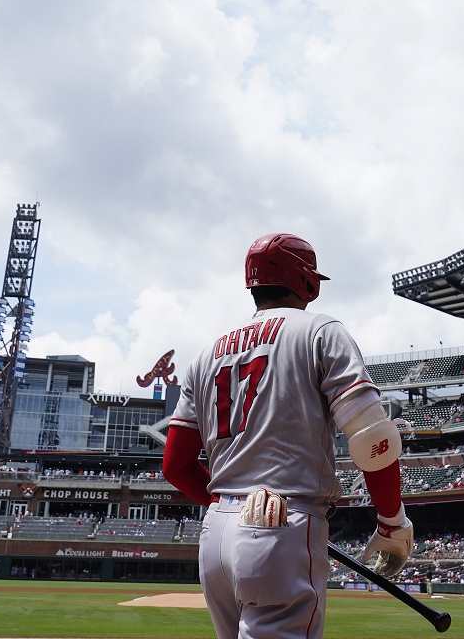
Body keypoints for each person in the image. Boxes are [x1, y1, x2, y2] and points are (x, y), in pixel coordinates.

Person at [163, 233, 412, 639]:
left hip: (215, 536)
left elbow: (175, 465)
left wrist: (229, 503)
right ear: (308, 282)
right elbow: (371, 436)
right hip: (282, 522)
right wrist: (391, 522)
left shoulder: (206, 354)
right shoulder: (320, 330)